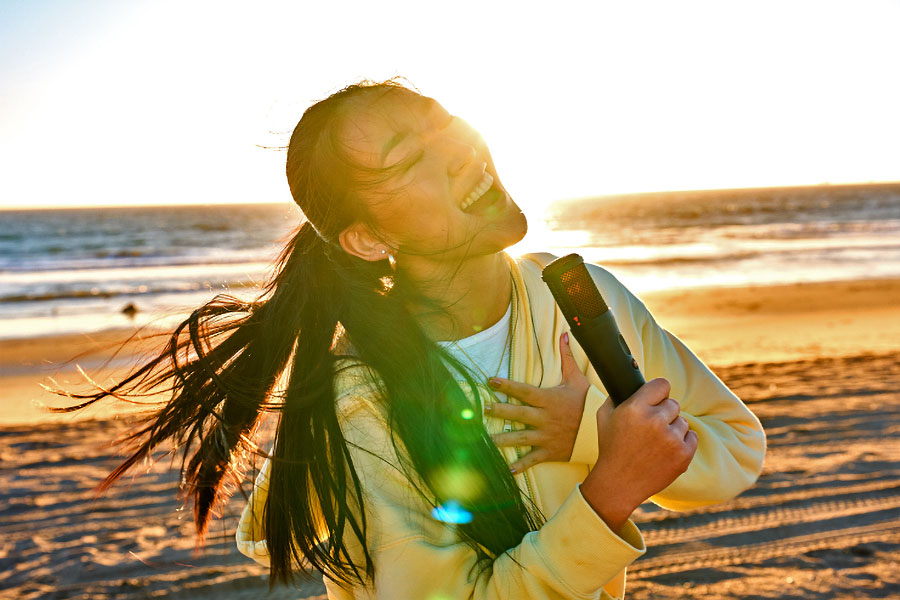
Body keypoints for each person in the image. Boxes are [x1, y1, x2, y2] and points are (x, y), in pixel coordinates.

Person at [69, 79, 766, 599]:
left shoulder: (576, 297)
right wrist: (607, 488)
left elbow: (735, 443)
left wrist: (591, 433)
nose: (461, 149)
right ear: (369, 238)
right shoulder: (362, 402)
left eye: (446, 124)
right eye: (409, 156)